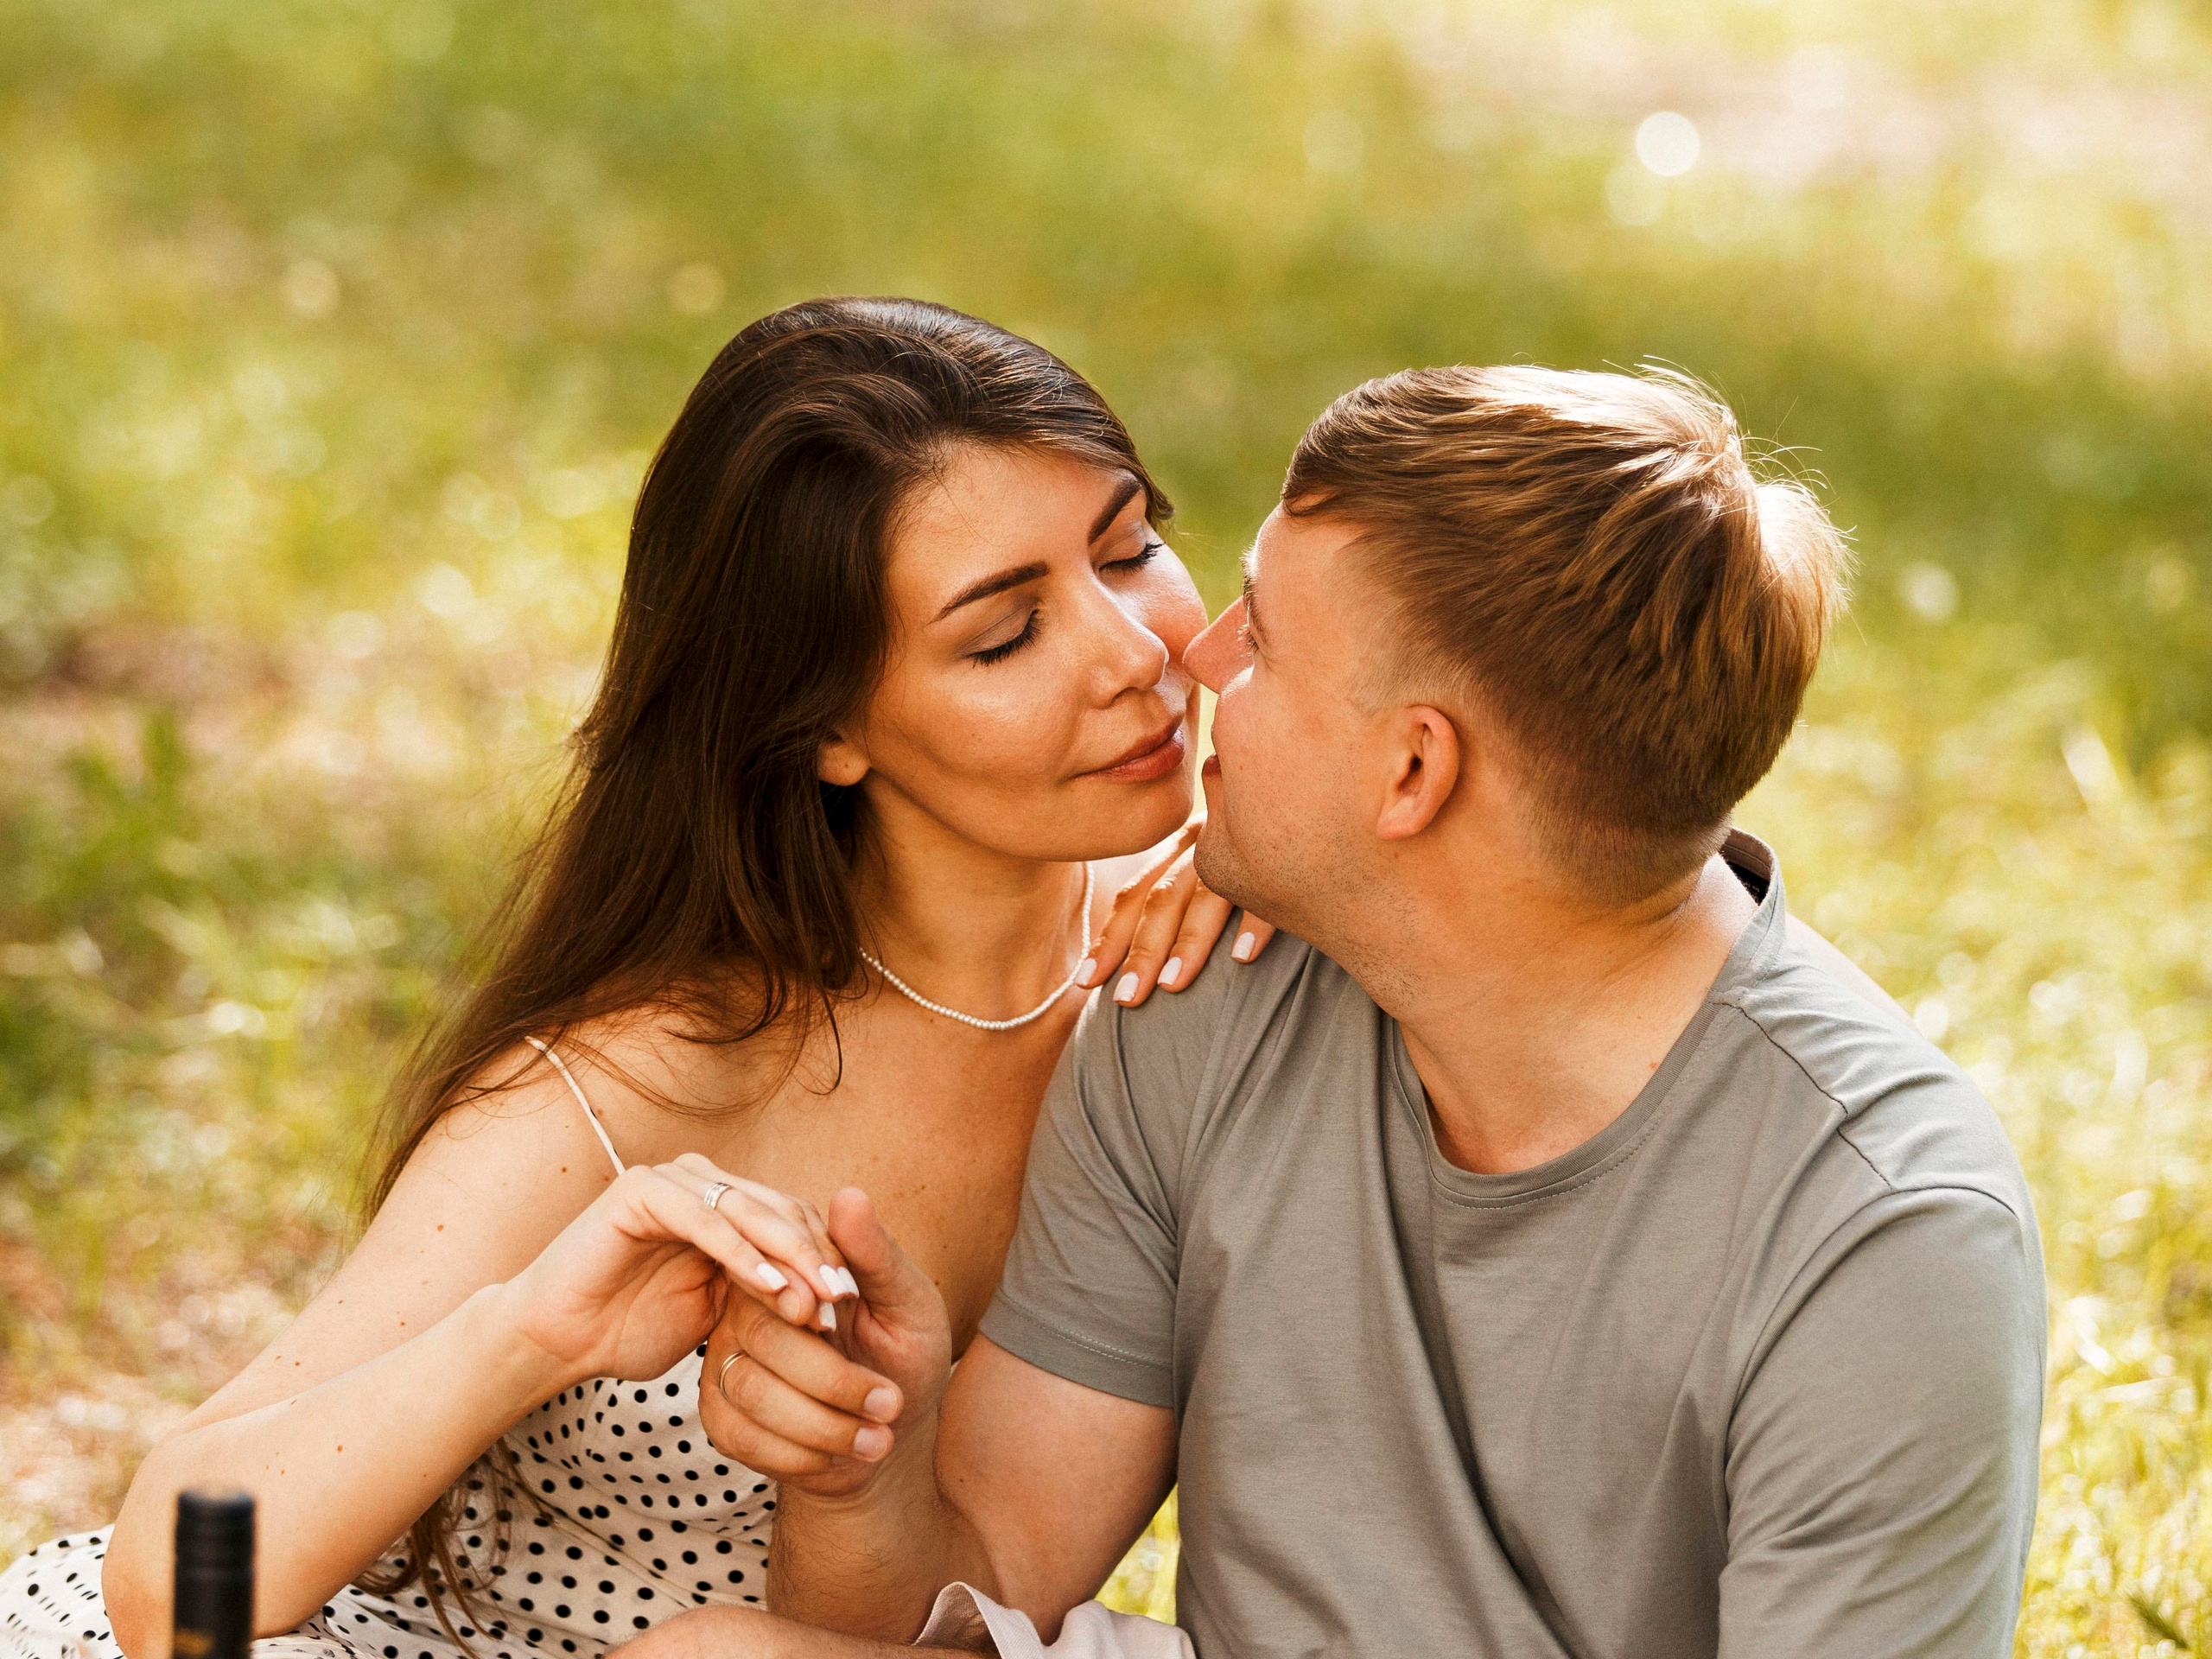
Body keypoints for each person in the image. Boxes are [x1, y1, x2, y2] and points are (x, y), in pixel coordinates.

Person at [664, 365, 2050, 1658]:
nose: (1192, 660)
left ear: (1411, 773)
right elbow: (982, 1574)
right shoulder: (1200, 1001)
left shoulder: (1881, 1237)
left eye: (1259, 637)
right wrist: (863, 1466)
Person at [0, 297, 1277, 1659]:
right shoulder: (655, 1072)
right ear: (827, 726)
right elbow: (175, 1586)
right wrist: (529, 1336)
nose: (1138, 653)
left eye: (1131, 548)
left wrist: (1281, 847)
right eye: (1002, 636)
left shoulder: (1214, 958)